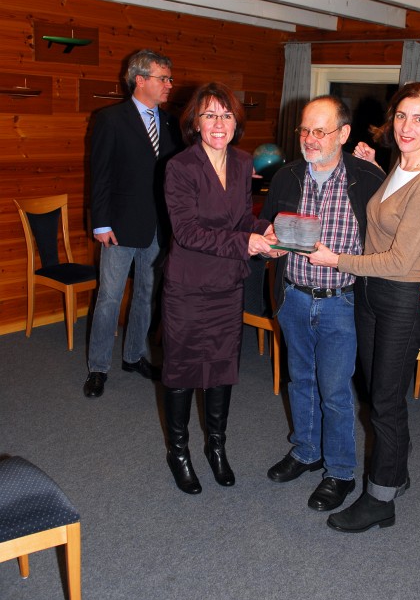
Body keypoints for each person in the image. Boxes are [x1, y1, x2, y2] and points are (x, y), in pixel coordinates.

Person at [261, 94, 420, 515]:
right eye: (304, 130)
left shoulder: (368, 177)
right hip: (293, 297)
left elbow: (406, 230)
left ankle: (340, 472)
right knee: (300, 381)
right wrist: (267, 238)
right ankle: (306, 451)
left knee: (336, 392)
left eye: (320, 131)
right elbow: (266, 222)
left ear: (343, 133)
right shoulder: (286, 176)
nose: (309, 138)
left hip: (343, 303)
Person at [302, 82, 420, 532]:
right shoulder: (400, 166)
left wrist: (336, 260)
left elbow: (399, 260)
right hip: (371, 293)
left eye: (419, 118)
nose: (406, 127)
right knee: (379, 393)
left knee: (385, 402)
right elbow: (392, 218)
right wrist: (378, 167)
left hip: (399, 298)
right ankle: (396, 473)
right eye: (401, 116)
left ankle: (380, 499)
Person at [161, 82, 276, 495]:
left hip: (227, 284)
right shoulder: (181, 167)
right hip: (188, 287)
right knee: (182, 370)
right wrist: (247, 243)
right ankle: (179, 453)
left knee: (222, 368)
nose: (218, 123)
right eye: (209, 115)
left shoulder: (243, 163)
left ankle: (216, 447)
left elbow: (242, 218)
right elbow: (188, 232)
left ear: (235, 122)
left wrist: (268, 230)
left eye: (226, 115)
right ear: (195, 122)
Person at [83, 49, 181, 398]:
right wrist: (100, 223)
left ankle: (133, 355)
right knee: (109, 297)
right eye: (163, 78)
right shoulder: (111, 119)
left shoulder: (170, 123)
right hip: (119, 226)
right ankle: (98, 367)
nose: (169, 84)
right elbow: (100, 174)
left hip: (158, 226)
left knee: (146, 295)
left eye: (169, 78)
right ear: (140, 80)